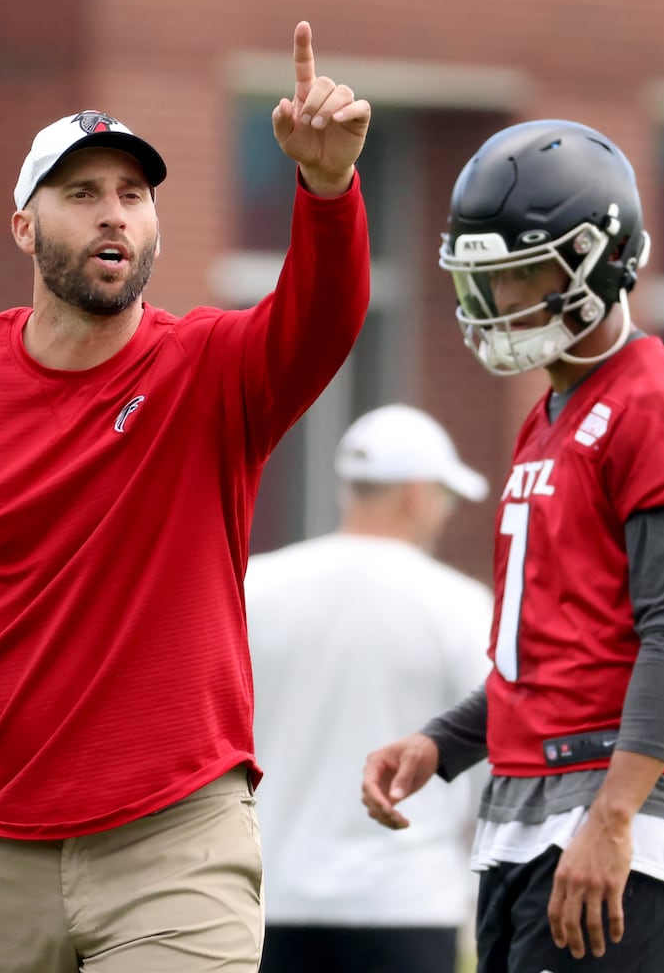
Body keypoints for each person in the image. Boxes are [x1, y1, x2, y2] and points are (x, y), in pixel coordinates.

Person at [0, 21, 372, 973]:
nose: (113, 215)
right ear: (24, 226)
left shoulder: (208, 370)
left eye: (133, 195)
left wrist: (326, 189)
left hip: (176, 843)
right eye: (80, 195)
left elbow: (321, 320)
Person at [361, 119, 664, 973]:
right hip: (532, 802)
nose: (500, 304)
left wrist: (613, 822)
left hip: (621, 809)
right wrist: (445, 743)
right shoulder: (551, 414)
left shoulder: (663, 407)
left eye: (523, 274)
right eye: (487, 280)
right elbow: (555, 647)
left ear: (601, 262)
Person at [247, 404, 495, 973]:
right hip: (407, 904)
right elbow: (492, 758)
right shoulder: (459, 606)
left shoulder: (253, 588)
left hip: (267, 898)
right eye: (445, 497)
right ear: (415, 495)